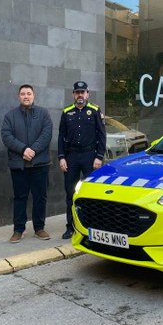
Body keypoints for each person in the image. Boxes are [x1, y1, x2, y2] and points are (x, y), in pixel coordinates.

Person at [0, 84, 53, 243]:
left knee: (40, 197)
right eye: (23, 94)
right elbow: (6, 136)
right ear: (19, 97)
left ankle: (39, 228)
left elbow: (47, 133)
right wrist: (23, 149)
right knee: (19, 198)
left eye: (28, 93)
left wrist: (33, 150)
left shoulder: (43, 114)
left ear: (33, 96)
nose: (26, 96)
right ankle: (18, 229)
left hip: (40, 164)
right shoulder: (11, 116)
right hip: (19, 164)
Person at [58, 81, 106, 239]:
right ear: (73, 94)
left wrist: (99, 156)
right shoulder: (67, 112)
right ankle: (70, 226)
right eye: (77, 92)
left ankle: (92, 227)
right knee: (70, 193)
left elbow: (101, 135)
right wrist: (61, 157)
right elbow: (61, 137)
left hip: (90, 157)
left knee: (91, 193)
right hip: (71, 157)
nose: (80, 95)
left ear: (87, 94)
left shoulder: (94, 111)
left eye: (83, 92)